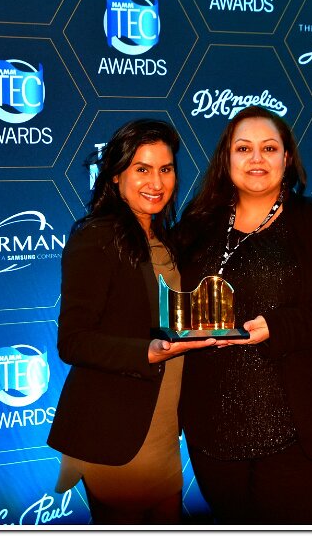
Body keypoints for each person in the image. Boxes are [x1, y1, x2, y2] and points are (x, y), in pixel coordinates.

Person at [175, 105, 312, 525]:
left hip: (299, 427)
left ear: (287, 157)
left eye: (269, 148)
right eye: (243, 148)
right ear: (226, 158)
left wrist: (279, 327)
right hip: (214, 429)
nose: (256, 158)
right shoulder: (197, 223)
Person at [47, 119, 216, 524]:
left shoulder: (165, 240)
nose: (156, 182)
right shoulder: (97, 238)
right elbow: (73, 341)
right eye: (142, 169)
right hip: (115, 431)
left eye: (166, 169)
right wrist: (147, 352)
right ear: (116, 175)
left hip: (162, 427)